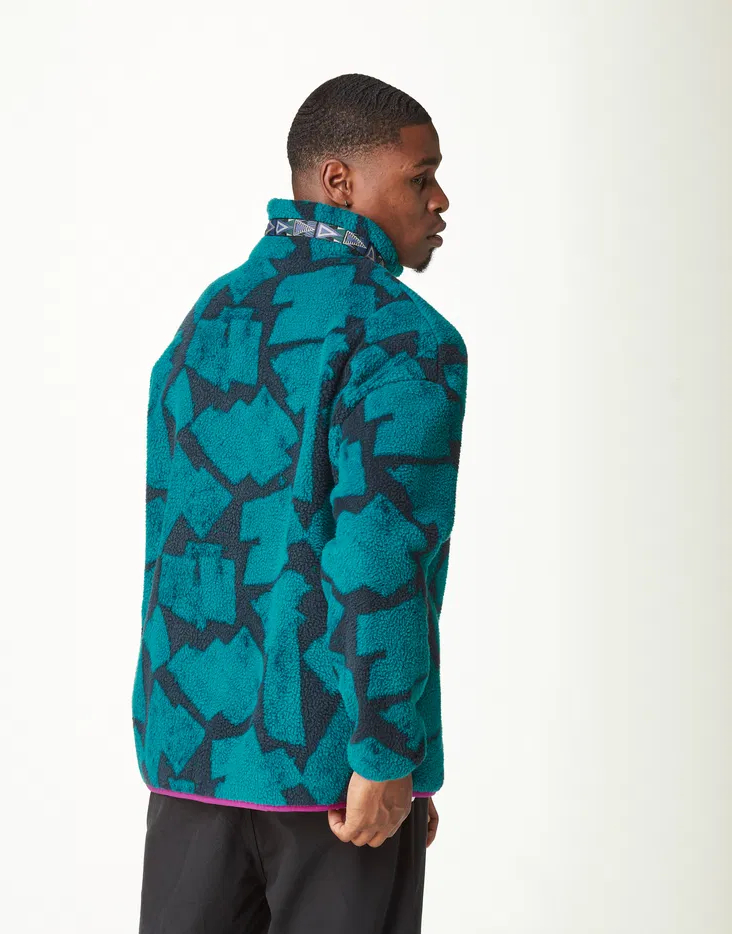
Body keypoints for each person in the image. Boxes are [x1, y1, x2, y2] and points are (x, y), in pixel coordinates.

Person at [133, 72, 468, 933]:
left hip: (191, 767)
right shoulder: (405, 338)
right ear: (339, 182)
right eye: (421, 176)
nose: (439, 200)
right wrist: (388, 751)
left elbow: (175, 538)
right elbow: (379, 552)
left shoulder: (207, 318)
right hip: (334, 780)